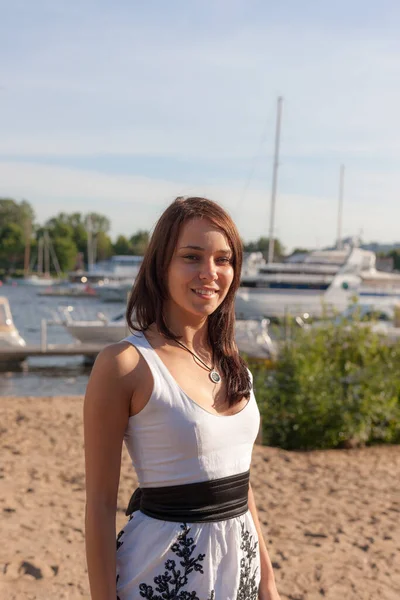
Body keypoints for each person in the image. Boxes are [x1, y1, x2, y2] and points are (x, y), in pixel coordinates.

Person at [84, 197, 281, 600]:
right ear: (162, 265)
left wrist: (268, 581)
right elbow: (101, 506)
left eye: (223, 260)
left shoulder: (233, 363)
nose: (210, 272)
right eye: (192, 256)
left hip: (238, 571)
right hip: (163, 576)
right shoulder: (124, 364)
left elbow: (240, 484)